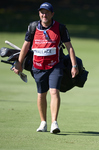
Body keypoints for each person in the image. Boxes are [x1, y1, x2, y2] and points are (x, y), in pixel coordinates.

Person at [13, 2, 79, 134]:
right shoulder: (33, 27)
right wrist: (19, 63)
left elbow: (69, 47)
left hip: (56, 65)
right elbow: (26, 46)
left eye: (47, 12)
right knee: (41, 94)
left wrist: (74, 65)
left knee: (54, 91)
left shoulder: (60, 27)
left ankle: (54, 123)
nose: (44, 15)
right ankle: (43, 123)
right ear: (39, 14)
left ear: (52, 14)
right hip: (38, 66)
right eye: (42, 12)